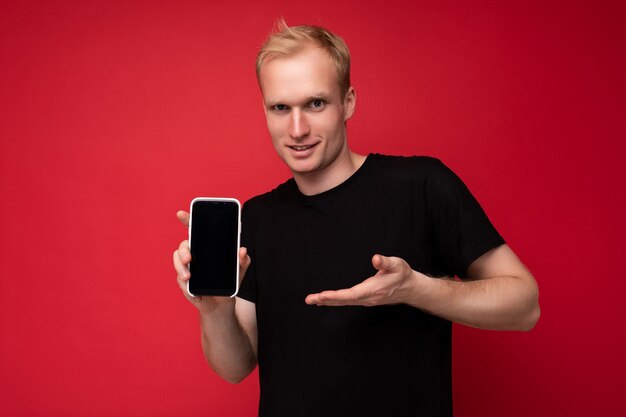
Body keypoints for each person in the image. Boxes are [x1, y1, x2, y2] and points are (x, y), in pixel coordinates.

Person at [173, 20, 540, 417]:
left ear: (348, 102)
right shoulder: (255, 218)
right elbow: (234, 367)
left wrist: (415, 290)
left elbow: (525, 307)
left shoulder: (422, 185)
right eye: (281, 108)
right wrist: (213, 309)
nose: (297, 129)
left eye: (316, 103)